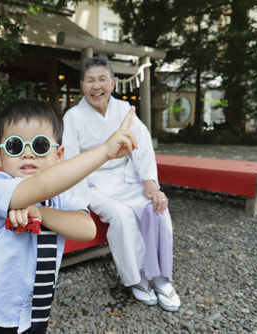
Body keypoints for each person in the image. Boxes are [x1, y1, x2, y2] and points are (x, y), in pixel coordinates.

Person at [0, 98, 138, 333]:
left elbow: (87, 229)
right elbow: (41, 187)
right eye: (15, 146)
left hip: (32, 314)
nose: (28, 154)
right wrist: (104, 152)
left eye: (40, 145)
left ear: (59, 155)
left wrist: (41, 212)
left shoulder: (61, 197)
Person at [62, 55, 181, 312]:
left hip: (128, 179)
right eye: (90, 80)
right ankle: (138, 278)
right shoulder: (72, 117)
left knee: (156, 207)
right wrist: (78, 200)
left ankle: (161, 278)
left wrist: (150, 182)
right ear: (82, 84)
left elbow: (143, 147)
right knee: (123, 216)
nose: (97, 86)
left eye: (102, 80)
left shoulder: (124, 111)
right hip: (94, 184)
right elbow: (70, 160)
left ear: (113, 82)